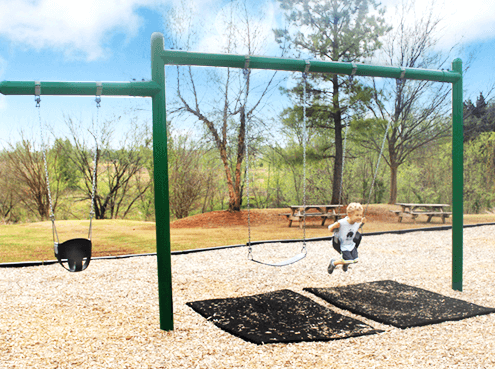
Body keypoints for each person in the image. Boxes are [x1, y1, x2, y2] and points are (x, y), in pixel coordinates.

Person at [327, 202, 366, 274]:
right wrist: (334, 226)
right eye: (357, 215)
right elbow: (330, 229)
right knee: (348, 260)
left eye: (361, 215)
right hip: (340, 243)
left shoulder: (356, 222)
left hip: (350, 244)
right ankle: (333, 263)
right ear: (349, 215)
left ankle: (345, 264)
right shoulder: (342, 222)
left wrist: (362, 223)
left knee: (355, 260)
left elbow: (357, 228)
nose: (360, 217)